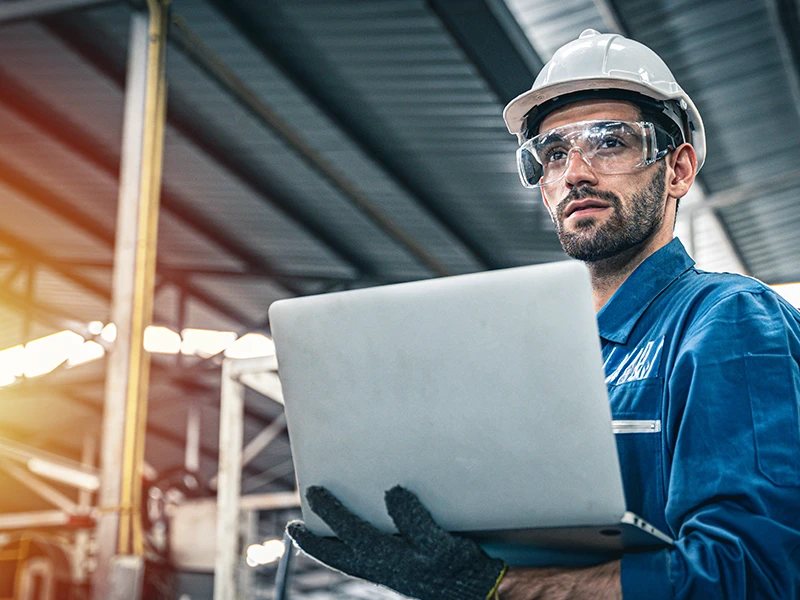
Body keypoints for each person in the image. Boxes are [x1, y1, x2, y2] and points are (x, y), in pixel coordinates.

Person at [287, 30, 800, 599]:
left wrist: (501, 588)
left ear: (677, 169)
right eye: (554, 154)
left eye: (609, 142)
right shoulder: (535, 364)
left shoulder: (730, 320)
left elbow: (753, 573)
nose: (575, 172)